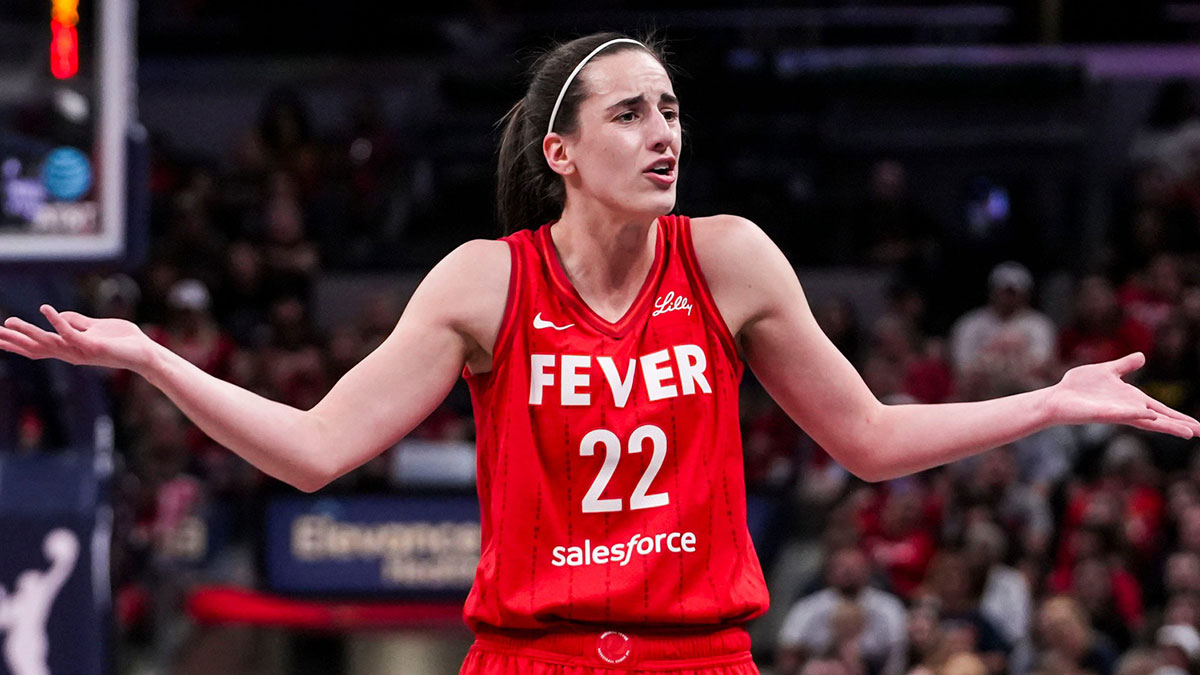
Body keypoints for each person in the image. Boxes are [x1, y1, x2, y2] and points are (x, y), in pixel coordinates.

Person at [0, 32, 1198, 675]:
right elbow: (315, 454)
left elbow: (872, 441)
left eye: (672, 110)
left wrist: (1048, 402)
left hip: (703, 659)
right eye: (630, 112)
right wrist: (159, 360)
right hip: (533, 659)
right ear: (563, 153)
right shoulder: (486, 278)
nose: (664, 131)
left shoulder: (728, 257)